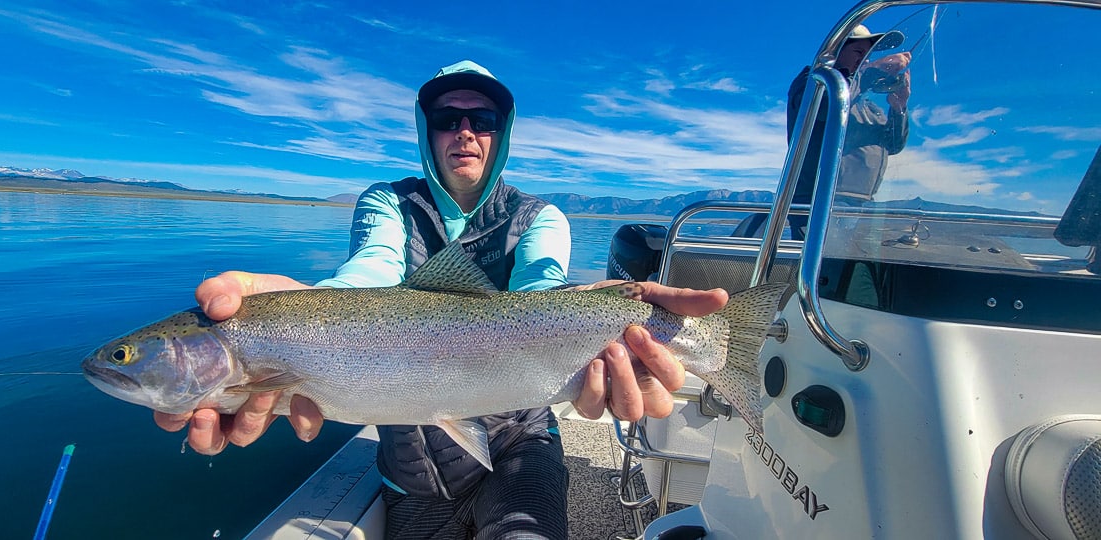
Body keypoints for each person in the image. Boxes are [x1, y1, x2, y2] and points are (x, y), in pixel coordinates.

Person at [152, 60, 729, 539]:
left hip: (522, 442)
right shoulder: (388, 203)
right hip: (412, 466)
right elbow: (369, 273)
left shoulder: (540, 217)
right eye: (447, 118)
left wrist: (599, 318)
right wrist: (303, 311)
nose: (465, 131)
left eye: (482, 119)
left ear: (502, 132)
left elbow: (540, 296)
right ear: (426, 130)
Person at [737, 24, 911, 240]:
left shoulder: (865, 104)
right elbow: (824, 108)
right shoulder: (815, 82)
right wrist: (869, 73)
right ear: (836, 51)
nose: (863, 61)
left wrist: (899, 109)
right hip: (818, 202)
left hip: (863, 207)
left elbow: (893, 145)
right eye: (858, 53)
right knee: (822, 273)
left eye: (868, 55)